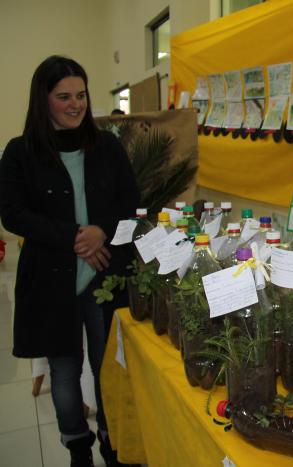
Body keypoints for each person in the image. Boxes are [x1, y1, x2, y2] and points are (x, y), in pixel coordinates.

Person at [0, 56, 139, 466]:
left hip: (103, 276)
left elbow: (130, 203)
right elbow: (13, 213)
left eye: (80, 95)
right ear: (43, 100)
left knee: (106, 370)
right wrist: (76, 236)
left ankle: (113, 445)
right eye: (64, 97)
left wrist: (102, 230)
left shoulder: (108, 145)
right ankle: (78, 448)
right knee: (64, 370)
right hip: (51, 281)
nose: (75, 104)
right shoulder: (20, 152)